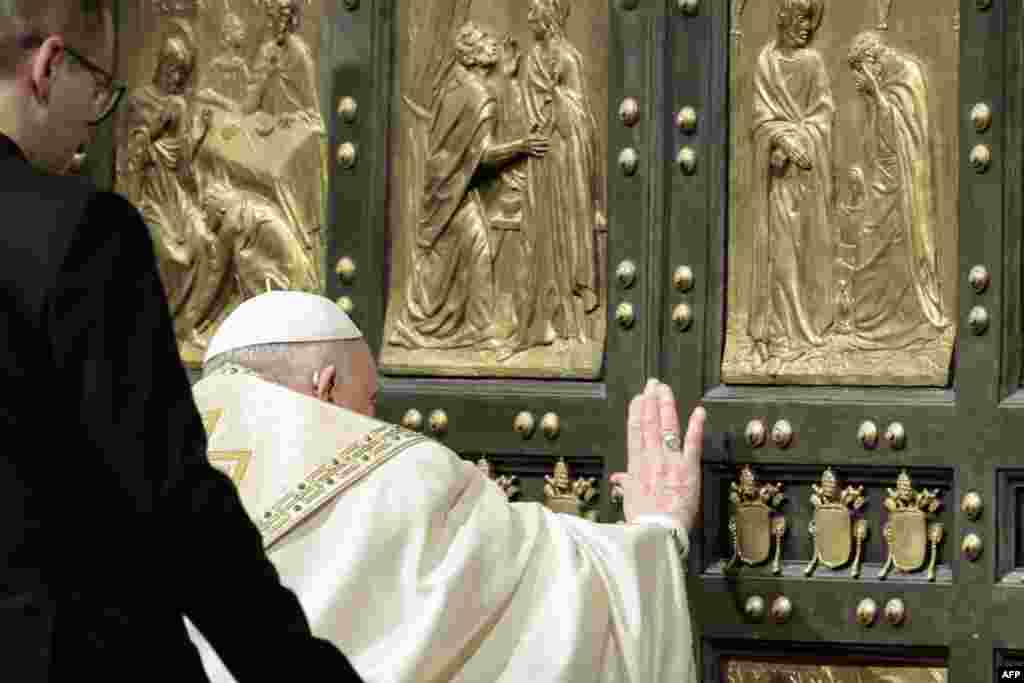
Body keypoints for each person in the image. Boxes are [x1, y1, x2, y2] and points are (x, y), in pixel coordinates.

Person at [0, 3, 360, 680]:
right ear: (48, 67)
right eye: (99, 87)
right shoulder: (78, 236)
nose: (94, 120)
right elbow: (171, 502)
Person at [190, 290, 704, 682]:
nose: (377, 422)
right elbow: (560, 604)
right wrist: (658, 528)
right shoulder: (401, 476)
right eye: (369, 402)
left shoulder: (142, 470)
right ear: (323, 388)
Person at [845, 31, 949, 349]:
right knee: (869, 243)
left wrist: (876, 93)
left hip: (902, 186)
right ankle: (871, 323)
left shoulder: (906, 75)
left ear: (873, 61)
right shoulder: (885, 80)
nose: (859, 80)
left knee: (892, 248)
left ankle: (906, 326)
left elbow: (904, 134)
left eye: (861, 70)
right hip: (883, 181)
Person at [747, 0, 835, 365]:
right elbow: (758, 120)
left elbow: (824, 112)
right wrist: (779, 140)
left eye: (812, 21)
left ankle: (806, 323)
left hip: (808, 177)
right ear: (783, 16)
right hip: (777, 180)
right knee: (781, 251)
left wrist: (803, 139)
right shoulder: (765, 62)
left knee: (805, 250)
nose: (807, 28)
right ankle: (785, 328)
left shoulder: (813, 63)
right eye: (801, 19)